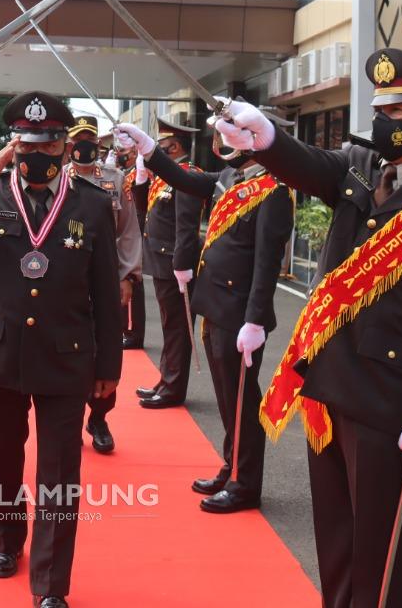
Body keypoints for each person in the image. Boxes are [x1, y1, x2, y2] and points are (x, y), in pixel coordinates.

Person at [215, 48, 402, 608]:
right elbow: (306, 163)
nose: (384, 121)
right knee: (336, 538)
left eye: (398, 109)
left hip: (389, 406)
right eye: (378, 109)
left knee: (378, 547)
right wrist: (265, 137)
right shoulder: (357, 173)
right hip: (330, 389)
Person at [0, 91, 122, 608]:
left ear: (63, 146)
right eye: (27, 142)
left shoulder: (94, 204)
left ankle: (51, 584)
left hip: (65, 354)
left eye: (49, 142)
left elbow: (104, 290)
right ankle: (5, 541)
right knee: (0, 463)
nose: (39, 152)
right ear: (14, 143)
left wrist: (108, 367)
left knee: (60, 472)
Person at [116, 120, 294, 513]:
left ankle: (245, 483)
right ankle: (231, 467)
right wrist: (149, 150)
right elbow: (182, 178)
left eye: (234, 136)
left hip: (240, 314)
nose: (225, 142)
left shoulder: (273, 190)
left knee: (242, 401)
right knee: (228, 398)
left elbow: (267, 264)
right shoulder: (230, 177)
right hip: (215, 305)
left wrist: (256, 319)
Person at [65, 115, 141, 454]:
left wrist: (127, 277)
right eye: (77, 139)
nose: (84, 145)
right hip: (69, 279)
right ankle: (69, 415)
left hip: (107, 278)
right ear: (69, 144)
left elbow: (128, 231)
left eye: (89, 139)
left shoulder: (116, 179)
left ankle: (99, 417)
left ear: (98, 143)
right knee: (69, 349)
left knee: (107, 349)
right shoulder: (56, 179)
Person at [132, 117, 202, 408]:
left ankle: (173, 388)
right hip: (161, 260)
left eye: (160, 147)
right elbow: (142, 212)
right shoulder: (166, 176)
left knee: (176, 327)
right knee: (169, 325)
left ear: (172, 146)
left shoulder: (188, 174)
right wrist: (139, 178)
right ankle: (166, 379)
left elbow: (186, 226)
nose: (156, 153)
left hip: (175, 262)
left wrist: (182, 263)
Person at [115, 137, 148, 349]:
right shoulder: (126, 174)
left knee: (132, 289)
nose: (121, 153)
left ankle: (133, 333)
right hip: (128, 229)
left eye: (124, 150)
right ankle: (129, 331)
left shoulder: (141, 173)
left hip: (136, 230)